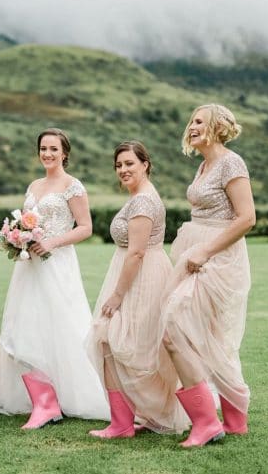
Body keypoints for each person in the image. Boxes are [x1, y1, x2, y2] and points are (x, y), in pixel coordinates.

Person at [0, 128, 109, 429]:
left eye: (54, 149)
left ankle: (63, 397)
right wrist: (17, 239)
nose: (47, 154)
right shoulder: (34, 185)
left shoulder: (73, 186)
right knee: (27, 324)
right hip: (29, 266)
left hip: (57, 264)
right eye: (43, 148)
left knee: (60, 326)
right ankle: (43, 401)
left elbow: (85, 227)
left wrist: (52, 243)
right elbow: (25, 222)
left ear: (64, 153)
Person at [160, 104, 255, 447]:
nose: (192, 126)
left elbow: (246, 218)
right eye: (191, 121)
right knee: (210, 336)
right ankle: (234, 420)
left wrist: (205, 251)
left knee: (174, 327)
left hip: (217, 257)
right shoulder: (204, 165)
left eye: (199, 121)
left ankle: (205, 422)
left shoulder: (231, 162)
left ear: (217, 126)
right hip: (195, 250)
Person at [87, 141, 189, 438]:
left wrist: (117, 294)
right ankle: (145, 416)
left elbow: (136, 253)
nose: (123, 170)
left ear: (145, 164)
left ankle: (121, 424)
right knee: (134, 343)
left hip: (141, 277)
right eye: (118, 165)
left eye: (129, 163)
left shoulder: (143, 201)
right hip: (140, 272)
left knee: (110, 339)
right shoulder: (141, 196)